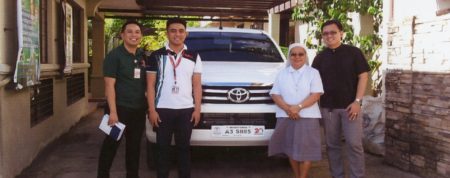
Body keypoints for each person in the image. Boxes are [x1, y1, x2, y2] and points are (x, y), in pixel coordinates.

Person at [312, 19, 370, 178]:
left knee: (354, 144)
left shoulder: (354, 52)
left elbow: (363, 76)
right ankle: (336, 175)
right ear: (322, 37)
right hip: (328, 109)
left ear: (341, 33)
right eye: (325, 33)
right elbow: (312, 83)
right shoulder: (320, 58)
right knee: (332, 146)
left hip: (351, 108)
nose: (329, 36)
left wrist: (358, 101)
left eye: (333, 32)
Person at [145, 18, 202, 178]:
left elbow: (197, 85)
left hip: (186, 110)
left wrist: (197, 109)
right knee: (162, 149)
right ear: (167, 32)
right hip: (162, 110)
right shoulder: (156, 55)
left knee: (184, 149)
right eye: (173, 30)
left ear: (186, 33)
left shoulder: (194, 56)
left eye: (181, 31)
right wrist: (152, 110)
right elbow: (150, 85)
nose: (177, 34)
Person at [97, 21, 148, 178]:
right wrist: (113, 112)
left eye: (137, 32)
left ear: (141, 35)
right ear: (122, 35)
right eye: (130, 32)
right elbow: (109, 86)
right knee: (111, 145)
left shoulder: (142, 55)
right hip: (119, 109)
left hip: (138, 109)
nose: (134, 35)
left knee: (134, 147)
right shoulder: (114, 56)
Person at [268, 43, 324, 178]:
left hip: (308, 117)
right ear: (289, 56)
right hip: (286, 116)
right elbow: (275, 94)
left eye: (301, 54)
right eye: (293, 54)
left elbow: (316, 94)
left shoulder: (313, 73)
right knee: (290, 149)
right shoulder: (282, 73)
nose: (297, 57)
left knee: (307, 151)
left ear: (305, 56)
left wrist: (298, 108)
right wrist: (289, 110)